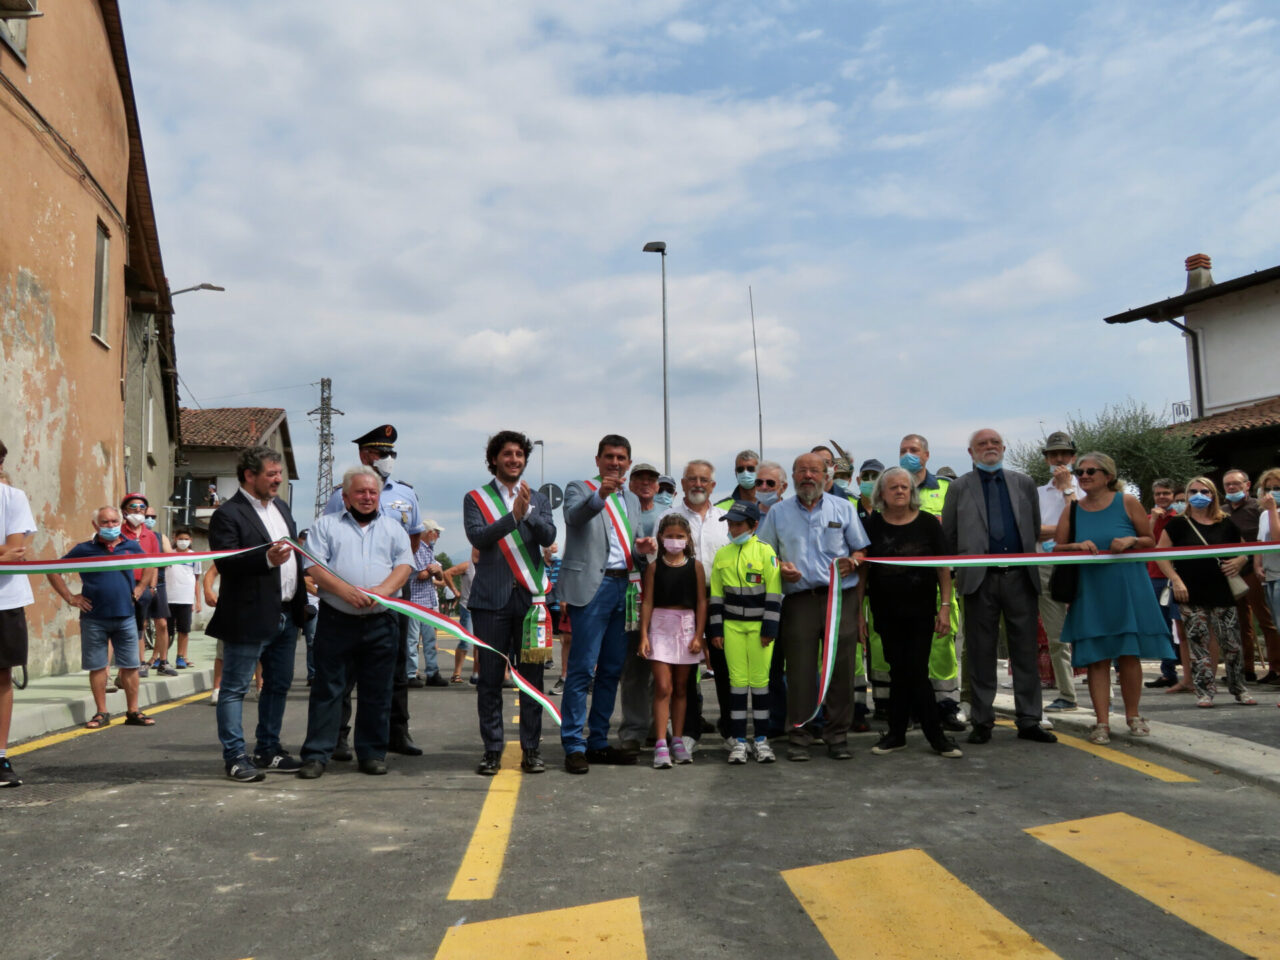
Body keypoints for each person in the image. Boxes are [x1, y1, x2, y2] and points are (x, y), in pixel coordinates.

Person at [940, 428, 1056, 745]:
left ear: (1003, 448)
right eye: (982, 444)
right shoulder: (959, 488)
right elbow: (949, 535)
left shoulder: (1023, 483)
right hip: (979, 579)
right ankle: (982, 720)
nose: (989, 447)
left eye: (995, 443)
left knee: (1025, 651)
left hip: (1020, 576)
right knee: (980, 653)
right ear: (971, 453)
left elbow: (1032, 527)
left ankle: (1030, 719)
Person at [297, 466, 413, 778]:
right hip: (337, 619)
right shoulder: (325, 526)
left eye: (372, 492)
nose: (367, 497)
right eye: (360, 492)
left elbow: (404, 566)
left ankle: (372, 753)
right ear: (346, 496)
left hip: (381, 620)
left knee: (377, 691)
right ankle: (316, 755)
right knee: (328, 689)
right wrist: (347, 591)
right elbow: (315, 568)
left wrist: (383, 591)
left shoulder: (393, 529)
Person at [757, 452, 869, 761]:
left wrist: (854, 561)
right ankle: (800, 737)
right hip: (798, 601)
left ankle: (837, 737)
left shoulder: (843, 508)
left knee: (841, 670)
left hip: (839, 600)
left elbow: (862, 551)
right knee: (800, 672)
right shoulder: (778, 513)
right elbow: (763, 553)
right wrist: (779, 567)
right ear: (792, 477)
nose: (808, 476)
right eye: (802, 470)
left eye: (815, 470)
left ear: (825, 476)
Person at [322, 424, 425, 757]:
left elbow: (410, 542)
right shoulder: (341, 494)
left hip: (393, 594)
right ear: (365, 455)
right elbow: (331, 540)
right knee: (345, 673)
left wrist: (390, 579)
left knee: (395, 667)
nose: (387, 459)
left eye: (391, 454)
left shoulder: (406, 493)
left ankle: (397, 733)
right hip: (346, 599)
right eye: (382, 453)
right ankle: (339, 737)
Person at [206, 445, 308, 782]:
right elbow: (226, 563)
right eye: (272, 474)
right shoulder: (228, 514)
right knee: (235, 689)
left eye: (280, 473)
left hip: (286, 614)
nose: (279, 479)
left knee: (277, 686)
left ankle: (268, 750)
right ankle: (235, 756)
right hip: (249, 616)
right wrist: (265, 560)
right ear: (250, 476)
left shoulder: (281, 508)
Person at [1053, 453, 1171, 743]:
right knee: (1096, 657)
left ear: (1108, 475)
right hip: (1090, 589)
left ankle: (1133, 715)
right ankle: (1101, 722)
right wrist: (1077, 546)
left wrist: (1130, 540)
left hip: (1128, 585)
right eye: (1079, 471)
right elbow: (1057, 547)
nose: (1083, 475)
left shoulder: (1127, 501)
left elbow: (1149, 540)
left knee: (1129, 654)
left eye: (1091, 470)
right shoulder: (1073, 509)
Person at [558, 435, 656, 774]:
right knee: (583, 669)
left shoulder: (631, 499)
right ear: (598, 460)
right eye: (610, 457)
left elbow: (631, 541)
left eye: (622, 458)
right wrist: (600, 494)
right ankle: (573, 743)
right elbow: (574, 518)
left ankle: (597, 741)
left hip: (624, 587)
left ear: (629, 463)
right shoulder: (579, 487)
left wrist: (643, 548)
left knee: (612, 670)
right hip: (592, 587)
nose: (616, 463)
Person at [464, 430, 557, 776]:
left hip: (531, 601)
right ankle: (492, 749)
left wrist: (528, 513)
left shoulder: (539, 498)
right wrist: (513, 518)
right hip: (491, 602)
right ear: (494, 459)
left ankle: (531, 749)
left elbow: (549, 536)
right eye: (507, 454)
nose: (514, 459)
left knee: (531, 679)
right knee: (489, 680)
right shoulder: (476, 498)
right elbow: (478, 536)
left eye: (519, 454)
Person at [862, 468, 962, 759]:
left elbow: (943, 569)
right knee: (898, 670)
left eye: (905, 487)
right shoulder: (873, 525)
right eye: (893, 487)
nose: (900, 491)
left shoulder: (929, 523)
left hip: (920, 611)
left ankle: (936, 735)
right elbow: (863, 571)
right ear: (882, 493)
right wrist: (859, 613)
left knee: (916, 669)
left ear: (912, 491)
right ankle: (896, 734)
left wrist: (945, 607)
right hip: (885, 610)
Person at [46, 506, 155, 732]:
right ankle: (101, 712)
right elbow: (52, 569)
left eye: (115, 521)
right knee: (98, 667)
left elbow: (150, 563)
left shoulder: (130, 546)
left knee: (131, 666)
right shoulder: (84, 549)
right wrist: (70, 597)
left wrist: (141, 587)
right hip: (93, 618)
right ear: (96, 525)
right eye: (105, 522)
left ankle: (133, 711)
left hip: (125, 615)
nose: (111, 526)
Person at [1156, 477, 1255, 708]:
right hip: (1190, 592)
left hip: (1222, 590)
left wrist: (1239, 562)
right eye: (1193, 491)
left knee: (1231, 644)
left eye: (1204, 491)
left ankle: (1239, 687)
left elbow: (1244, 550)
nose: (1199, 495)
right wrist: (1176, 580)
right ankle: (1204, 691)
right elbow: (1161, 554)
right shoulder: (1178, 524)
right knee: (1197, 643)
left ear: (1213, 495)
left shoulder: (1226, 523)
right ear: (1187, 495)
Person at [660, 459, 731, 748]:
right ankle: (687, 732)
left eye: (704, 479)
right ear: (683, 483)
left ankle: (730, 730)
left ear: (713, 485)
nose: (698, 484)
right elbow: (658, 560)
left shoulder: (726, 518)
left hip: (720, 600)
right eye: (691, 479)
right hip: (681, 600)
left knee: (725, 667)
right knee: (684, 672)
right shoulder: (669, 516)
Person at [897, 434, 963, 730]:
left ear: (926, 455)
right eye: (903, 451)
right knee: (905, 648)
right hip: (902, 585)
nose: (908, 455)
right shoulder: (893, 487)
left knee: (941, 644)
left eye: (913, 450)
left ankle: (946, 705)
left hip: (940, 582)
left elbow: (958, 533)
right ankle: (910, 707)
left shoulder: (948, 489)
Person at [708, 501, 781, 764]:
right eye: (730, 524)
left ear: (753, 526)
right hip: (731, 629)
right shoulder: (722, 555)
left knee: (760, 684)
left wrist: (769, 628)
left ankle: (761, 740)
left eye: (738, 524)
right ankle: (739, 741)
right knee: (737, 684)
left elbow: (774, 593)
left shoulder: (765, 552)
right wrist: (716, 629)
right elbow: (716, 596)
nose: (732, 528)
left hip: (759, 629)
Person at [640, 514, 706, 768]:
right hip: (660, 626)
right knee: (663, 687)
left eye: (680, 537)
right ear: (661, 537)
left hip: (687, 627)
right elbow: (647, 601)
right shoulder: (655, 567)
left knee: (681, 687)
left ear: (688, 538)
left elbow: (701, 601)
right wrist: (644, 635)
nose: (675, 541)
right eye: (670, 536)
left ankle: (677, 740)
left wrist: (699, 635)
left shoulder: (695, 566)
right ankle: (660, 742)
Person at [1035, 432, 1082, 713]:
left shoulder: (1085, 488)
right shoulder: (1038, 493)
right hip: (1045, 565)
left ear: (1073, 457)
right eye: (1054, 455)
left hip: (1079, 563)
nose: (1059, 459)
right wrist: (1065, 530)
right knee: (1057, 635)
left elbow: (1081, 521)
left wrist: (1067, 490)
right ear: (1047, 460)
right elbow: (1032, 530)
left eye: (1064, 454)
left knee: (1092, 629)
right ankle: (1067, 694)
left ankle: (1107, 692)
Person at [618, 460, 662, 754]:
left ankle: (660, 727)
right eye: (639, 478)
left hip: (664, 600)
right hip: (630, 599)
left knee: (665, 668)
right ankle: (633, 729)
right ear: (630, 484)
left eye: (651, 479)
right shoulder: (620, 514)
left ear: (658, 486)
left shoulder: (667, 515)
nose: (645, 483)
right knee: (634, 669)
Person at [1222, 468, 1280, 683]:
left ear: (1247, 485)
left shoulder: (1259, 507)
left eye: (1235, 484)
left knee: (1267, 620)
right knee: (1238, 623)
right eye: (1227, 484)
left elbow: (1263, 540)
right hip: (1231, 573)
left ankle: (1276, 668)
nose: (1231, 487)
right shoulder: (1222, 510)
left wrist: (1249, 560)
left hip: (1257, 571)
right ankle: (1245, 669)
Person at [0, 440, 35, 787]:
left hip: (5, 601)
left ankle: (0, 757)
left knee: (1, 679)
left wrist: (6, 553)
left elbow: (15, 551)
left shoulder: (13, 498)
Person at [1145, 480, 1191, 692]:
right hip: (1154, 577)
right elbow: (1143, 541)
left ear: (1174, 495)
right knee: (1162, 627)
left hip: (1178, 577)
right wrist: (1153, 519)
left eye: (1166, 493)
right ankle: (1168, 673)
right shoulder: (1148, 519)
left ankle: (1191, 674)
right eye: (1158, 494)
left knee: (1182, 626)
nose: (1162, 497)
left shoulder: (1182, 518)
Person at [118, 493, 160, 678]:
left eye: (141, 508)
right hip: (121, 585)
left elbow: (153, 562)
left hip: (142, 587)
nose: (138, 511)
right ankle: (121, 668)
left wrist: (149, 587)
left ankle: (140, 662)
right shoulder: (118, 532)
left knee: (140, 627)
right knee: (120, 626)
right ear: (125, 511)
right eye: (133, 507)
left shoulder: (150, 536)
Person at [407, 519, 448, 687]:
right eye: (437, 532)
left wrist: (435, 571)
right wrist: (432, 570)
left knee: (429, 640)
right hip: (415, 601)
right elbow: (419, 574)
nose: (438, 536)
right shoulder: (415, 549)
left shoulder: (429, 549)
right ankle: (411, 673)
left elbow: (439, 576)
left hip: (427, 601)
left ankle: (432, 672)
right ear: (429, 532)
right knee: (412, 640)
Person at [142, 504, 179, 676]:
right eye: (147, 516)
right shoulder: (131, 537)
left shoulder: (159, 537)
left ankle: (163, 662)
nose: (150, 520)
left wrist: (153, 562)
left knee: (162, 624)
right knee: (140, 624)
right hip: (138, 583)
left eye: (153, 517)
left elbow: (169, 558)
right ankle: (141, 662)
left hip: (160, 584)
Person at [1256, 470, 1280, 693]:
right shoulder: (1264, 515)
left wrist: (1273, 511)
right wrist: (1257, 565)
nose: (1273, 493)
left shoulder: (1271, 512)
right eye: (1269, 489)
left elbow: (1277, 537)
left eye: (1278, 488)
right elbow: (1260, 543)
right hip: (1270, 577)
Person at [165, 528, 202, 670]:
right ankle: (163, 657)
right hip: (169, 598)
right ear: (175, 539)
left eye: (186, 539)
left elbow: (197, 579)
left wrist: (197, 601)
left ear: (191, 541)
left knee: (184, 630)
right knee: (166, 631)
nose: (183, 542)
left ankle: (181, 656)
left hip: (185, 599)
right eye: (180, 539)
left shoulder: (195, 557)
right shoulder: (169, 555)